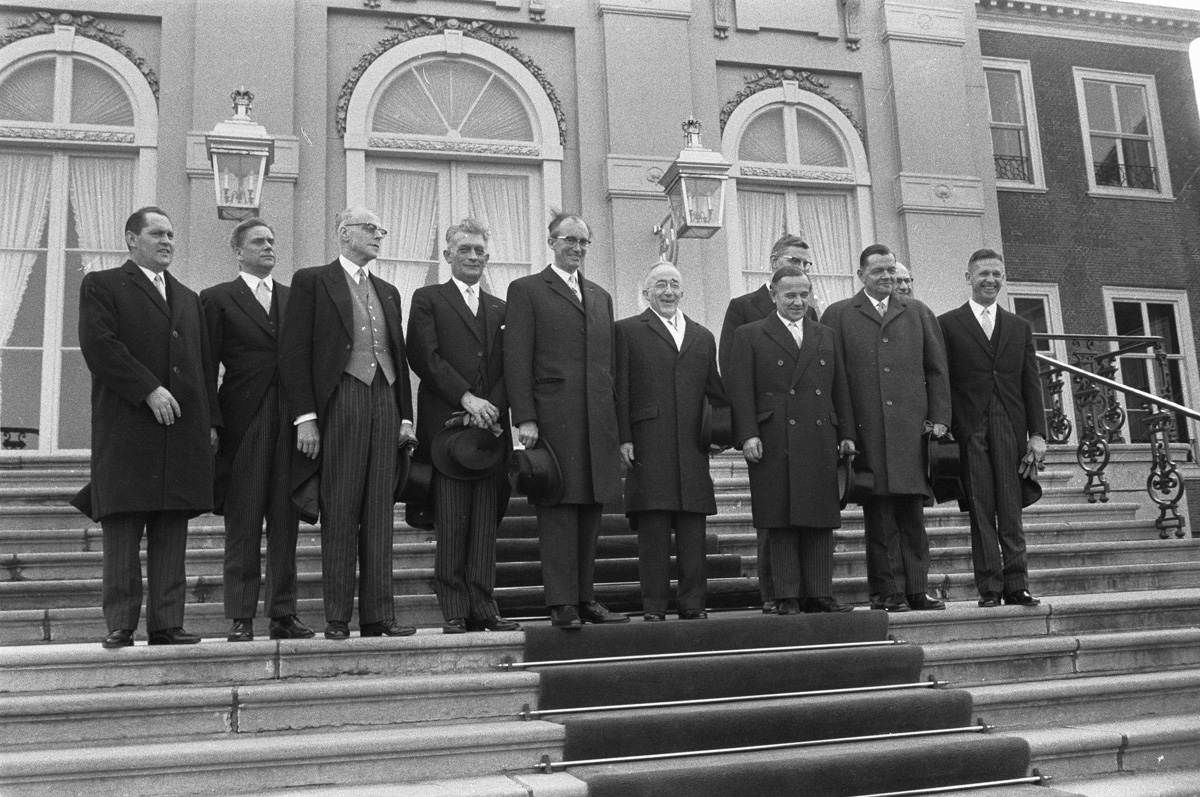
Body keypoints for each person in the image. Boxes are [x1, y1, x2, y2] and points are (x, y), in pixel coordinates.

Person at [74, 206, 218, 648]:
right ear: (131, 239)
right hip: (127, 430)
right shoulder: (102, 285)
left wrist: (211, 423)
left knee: (172, 528)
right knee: (123, 527)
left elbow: (203, 366)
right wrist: (148, 389)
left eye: (171, 234)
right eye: (157, 233)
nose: (167, 241)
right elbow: (100, 347)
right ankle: (121, 623)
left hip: (180, 433)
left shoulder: (188, 298)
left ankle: (167, 623)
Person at [279, 206, 417, 640]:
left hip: (385, 400)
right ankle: (337, 617)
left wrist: (406, 415)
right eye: (370, 228)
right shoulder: (313, 281)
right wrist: (306, 418)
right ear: (344, 233)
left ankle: (379, 616)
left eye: (381, 229)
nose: (378, 235)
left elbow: (397, 355)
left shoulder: (388, 291)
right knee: (339, 507)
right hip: (341, 399)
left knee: (380, 510)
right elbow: (294, 352)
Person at [504, 212, 628, 628]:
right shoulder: (527, 290)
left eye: (583, 241)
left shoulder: (599, 295)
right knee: (558, 512)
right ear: (551, 242)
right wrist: (525, 418)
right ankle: (562, 603)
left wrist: (616, 426)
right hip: (553, 420)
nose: (576, 248)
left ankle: (585, 597)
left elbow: (610, 366)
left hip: (597, 422)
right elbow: (517, 357)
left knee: (591, 512)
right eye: (569, 240)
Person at [821, 244, 951, 613]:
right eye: (878, 271)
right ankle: (886, 591)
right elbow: (834, 378)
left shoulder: (918, 312)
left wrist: (940, 419)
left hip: (912, 433)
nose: (886, 277)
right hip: (868, 434)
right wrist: (845, 432)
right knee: (879, 518)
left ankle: (917, 589)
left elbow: (937, 370)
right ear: (861, 275)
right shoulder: (839, 315)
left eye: (891, 270)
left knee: (912, 516)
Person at [200, 218, 313, 642]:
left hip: (291, 421)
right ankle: (241, 616)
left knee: (285, 522)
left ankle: (283, 613)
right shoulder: (217, 299)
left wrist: (308, 417)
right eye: (259, 241)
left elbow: (305, 361)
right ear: (238, 250)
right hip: (243, 422)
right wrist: (211, 422)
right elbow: (206, 366)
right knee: (244, 521)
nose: (268, 247)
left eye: (271, 240)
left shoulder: (293, 298)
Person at [407, 219, 520, 634]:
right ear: (448, 255)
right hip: (447, 431)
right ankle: (454, 608)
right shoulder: (428, 299)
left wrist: (491, 407)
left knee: (485, 523)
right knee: (453, 521)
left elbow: (511, 365)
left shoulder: (501, 308)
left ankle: (484, 607)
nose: (473, 257)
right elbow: (424, 356)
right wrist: (466, 399)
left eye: (479, 251)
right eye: (465, 250)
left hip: (490, 432)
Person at [728, 265, 855, 614]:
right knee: (780, 518)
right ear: (773, 295)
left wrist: (847, 433)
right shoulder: (750, 334)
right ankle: (785, 595)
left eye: (804, 294)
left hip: (819, 436)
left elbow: (840, 387)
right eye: (790, 295)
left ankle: (819, 593)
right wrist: (748, 434)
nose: (798, 302)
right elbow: (741, 390)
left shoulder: (825, 334)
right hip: (774, 437)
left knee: (820, 517)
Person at [616, 262, 726, 621]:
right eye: (660, 285)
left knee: (693, 531)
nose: (668, 291)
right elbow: (620, 390)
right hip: (649, 444)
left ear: (683, 292)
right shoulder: (627, 331)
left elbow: (716, 392)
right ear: (646, 293)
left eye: (674, 285)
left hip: (692, 447)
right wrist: (623, 438)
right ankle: (654, 606)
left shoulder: (702, 336)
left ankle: (693, 604)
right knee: (654, 530)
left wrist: (720, 435)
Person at [938, 249, 1046, 608]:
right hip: (969, 428)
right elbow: (943, 379)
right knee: (981, 509)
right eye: (984, 273)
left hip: (1009, 426)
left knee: (1011, 508)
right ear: (969, 277)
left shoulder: (1019, 326)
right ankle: (989, 588)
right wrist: (944, 425)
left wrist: (1038, 433)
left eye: (997, 274)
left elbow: (1031, 382)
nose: (991, 280)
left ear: (1004, 279)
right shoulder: (947, 324)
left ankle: (1017, 585)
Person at [717, 233, 818, 613]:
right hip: (768, 427)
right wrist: (747, 430)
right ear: (774, 261)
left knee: (806, 510)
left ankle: (808, 590)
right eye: (793, 260)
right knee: (773, 514)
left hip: (806, 429)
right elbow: (733, 370)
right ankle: (774, 592)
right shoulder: (743, 306)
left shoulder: (809, 309)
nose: (800, 268)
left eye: (806, 264)